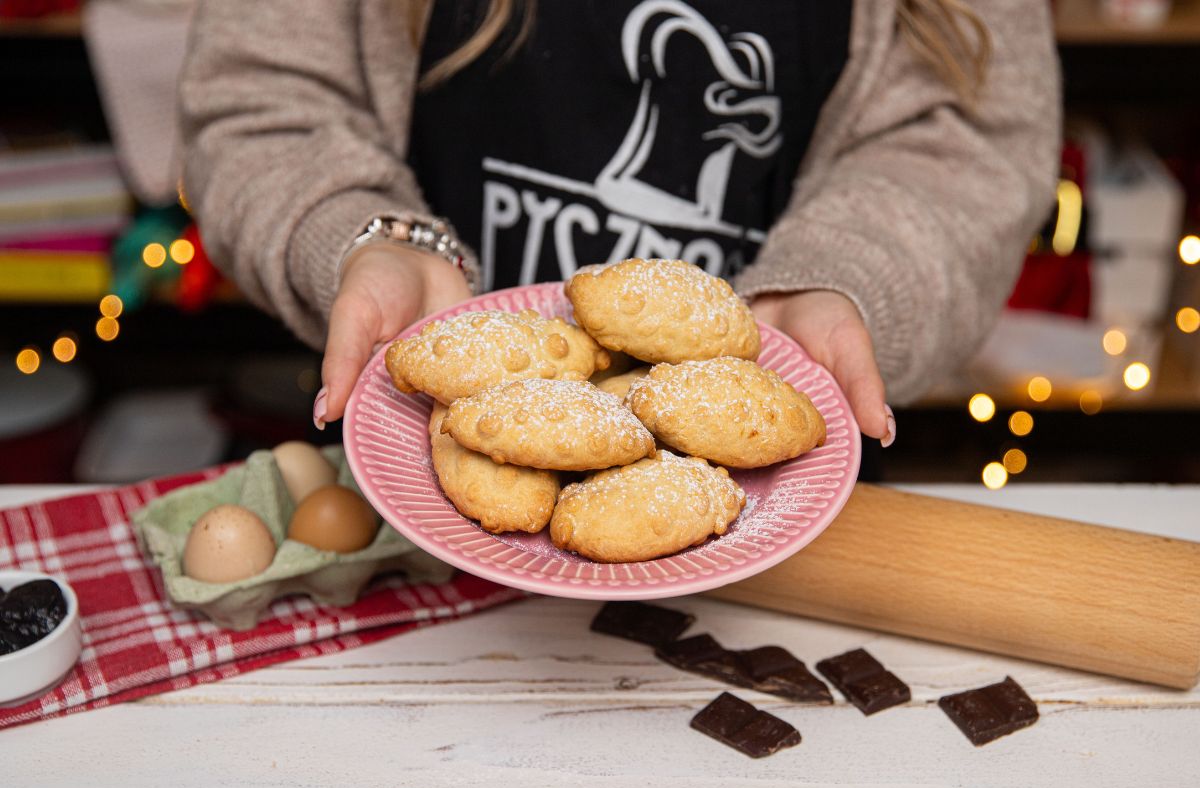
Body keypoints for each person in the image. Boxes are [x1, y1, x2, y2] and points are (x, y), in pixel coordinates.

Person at [178, 0, 1060, 450]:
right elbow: (262, 100)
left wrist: (846, 272)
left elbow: (969, 138)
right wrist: (366, 236)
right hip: (413, 498)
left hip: (773, 517)